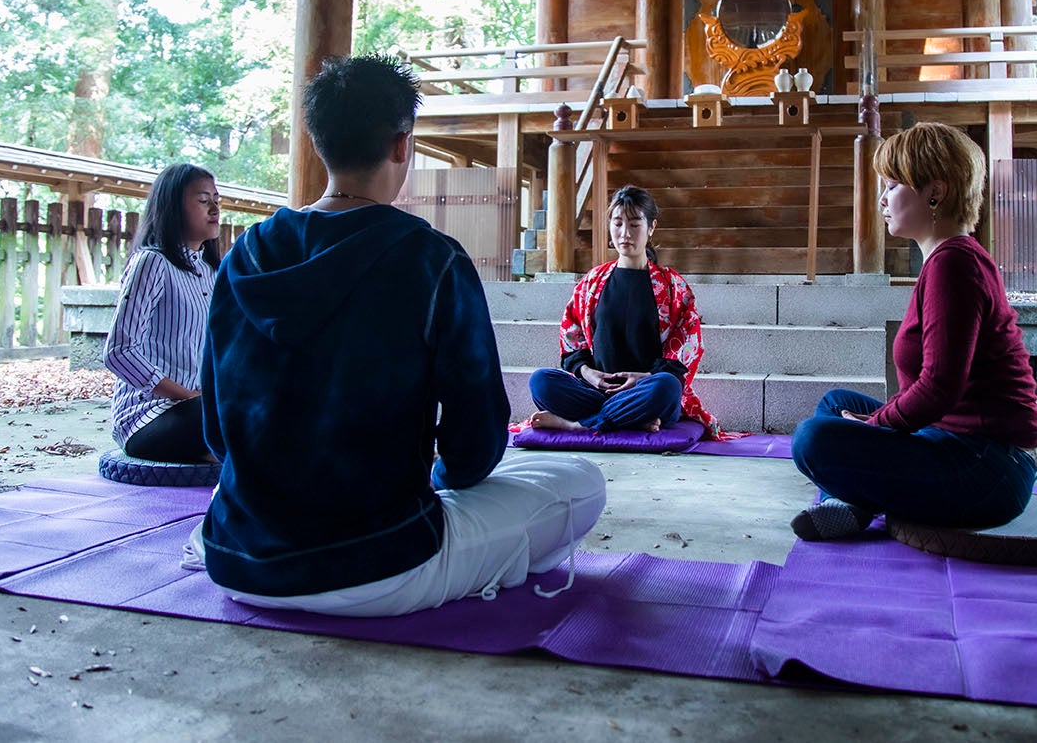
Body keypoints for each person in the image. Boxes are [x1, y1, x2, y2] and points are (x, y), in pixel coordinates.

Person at [191, 54, 605, 617]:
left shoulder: (243, 257)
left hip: (239, 560)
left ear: (317, 143)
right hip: (384, 565)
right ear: (402, 144)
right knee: (579, 479)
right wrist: (436, 479)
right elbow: (476, 446)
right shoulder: (431, 260)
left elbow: (217, 432)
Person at [790, 122, 1037, 540]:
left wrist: (875, 425)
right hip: (951, 439)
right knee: (836, 404)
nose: (882, 199)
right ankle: (851, 503)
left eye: (891, 186)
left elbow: (939, 386)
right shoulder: (946, 260)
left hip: (988, 466)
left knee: (811, 439)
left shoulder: (954, 264)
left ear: (935, 193)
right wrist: (876, 421)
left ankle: (850, 501)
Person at [526, 185, 723, 438]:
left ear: (651, 227)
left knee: (667, 387)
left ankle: (578, 424)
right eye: (618, 223)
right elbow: (572, 337)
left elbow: (686, 347)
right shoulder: (592, 281)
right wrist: (588, 373)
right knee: (541, 382)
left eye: (634, 224)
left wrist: (645, 377)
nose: (625, 233)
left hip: (646, 390)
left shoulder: (672, 286)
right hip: (598, 390)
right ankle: (628, 419)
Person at [104, 163, 222, 463]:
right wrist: (186, 395)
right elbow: (119, 352)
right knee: (231, 413)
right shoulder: (152, 263)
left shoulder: (211, 272)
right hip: (148, 416)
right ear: (172, 207)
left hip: (199, 409)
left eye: (217, 201)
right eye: (203, 200)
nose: (214, 209)